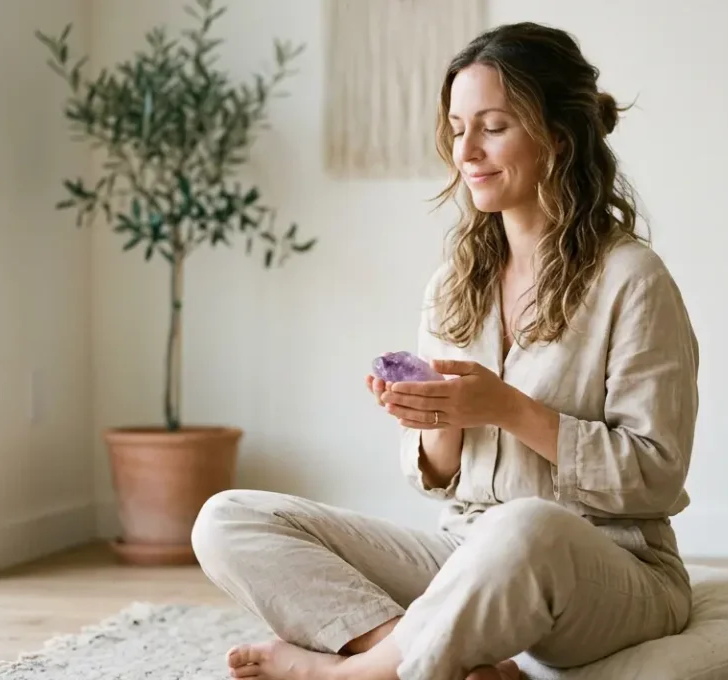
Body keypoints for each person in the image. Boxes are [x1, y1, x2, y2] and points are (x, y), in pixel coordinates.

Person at [191, 21, 700, 680]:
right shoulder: (454, 285)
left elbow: (655, 473)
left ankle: (350, 674)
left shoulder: (633, 279)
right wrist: (439, 419)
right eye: (458, 129)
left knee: (527, 526)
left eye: (492, 126)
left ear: (559, 137)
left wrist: (510, 409)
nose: (467, 151)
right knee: (226, 518)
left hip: (610, 566)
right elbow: (441, 479)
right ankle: (438, 654)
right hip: (465, 552)